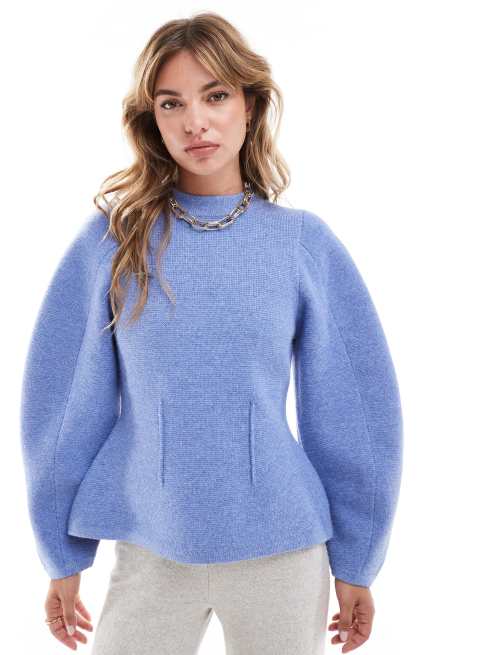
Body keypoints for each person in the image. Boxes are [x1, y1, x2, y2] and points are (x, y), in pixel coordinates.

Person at [20, 11, 403, 655]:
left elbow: (354, 411)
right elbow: (62, 405)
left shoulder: (300, 243)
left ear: (249, 106)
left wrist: (357, 561)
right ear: (152, 120)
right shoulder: (114, 242)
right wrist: (60, 553)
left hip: (283, 553)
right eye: (172, 103)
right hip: (150, 549)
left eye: (215, 95)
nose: (195, 121)